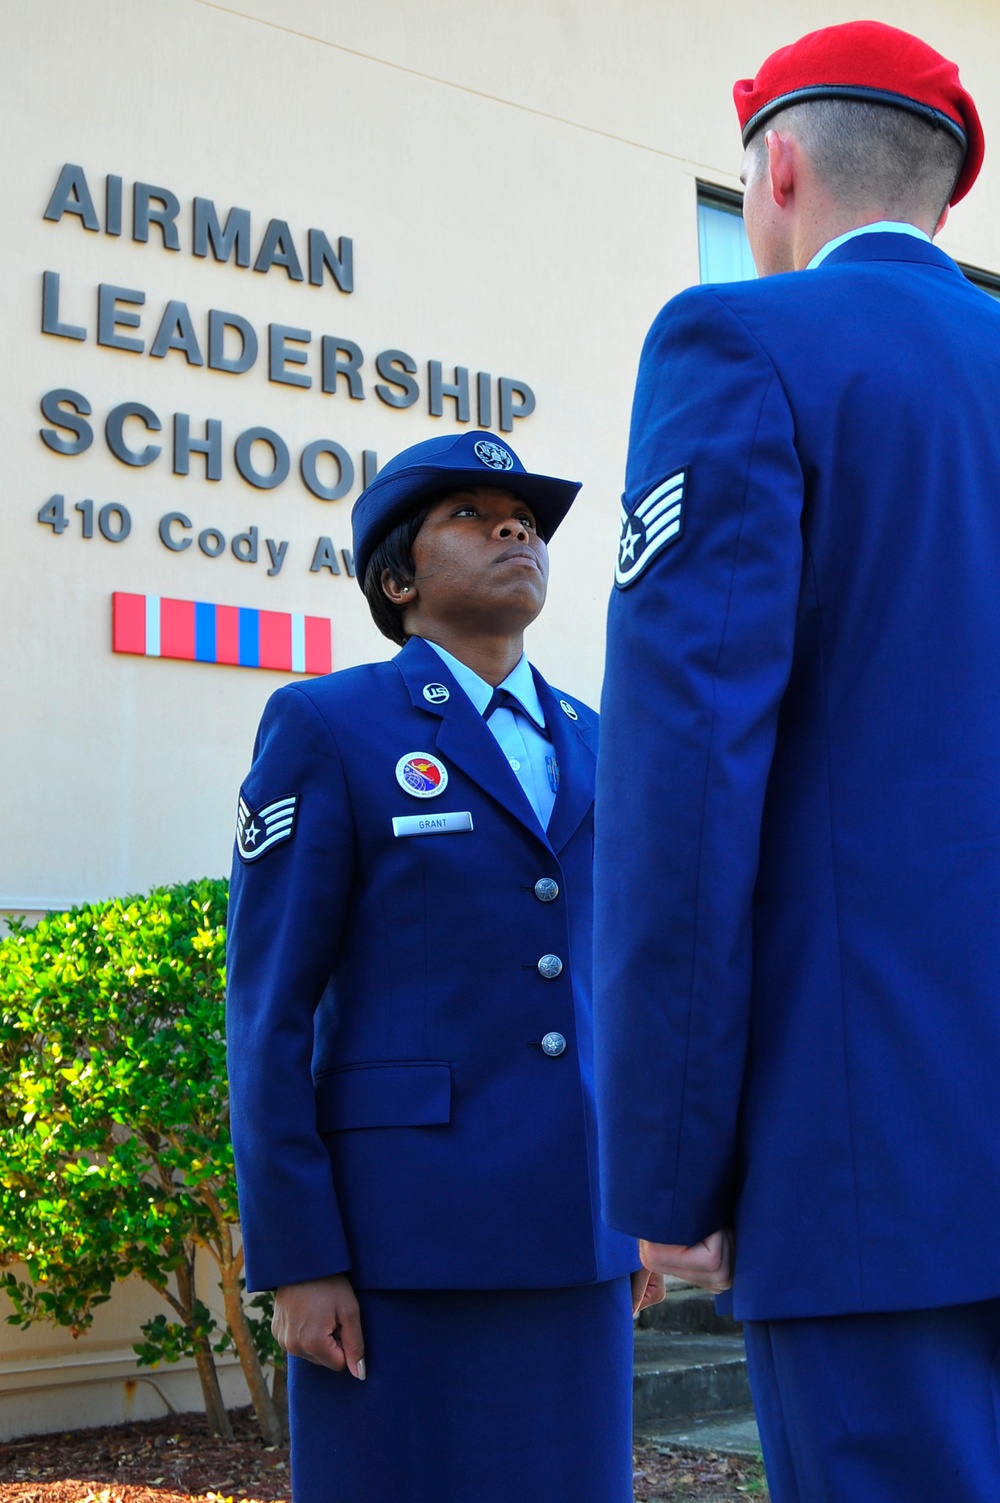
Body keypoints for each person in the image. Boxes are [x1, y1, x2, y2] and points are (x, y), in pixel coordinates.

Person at [593, 19, 1000, 1503]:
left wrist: (664, 1166)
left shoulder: (738, 343)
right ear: (944, 197)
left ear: (774, 169)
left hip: (869, 1161)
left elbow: (685, 783)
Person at [226, 429, 656, 1503]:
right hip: (396, 1245)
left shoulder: (603, 743)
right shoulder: (329, 725)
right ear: (398, 576)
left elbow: (629, 993)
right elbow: (268, 1011)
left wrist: (655, 1195)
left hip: (583, 1235)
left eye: (526, 518)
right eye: (470, 513)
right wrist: (297, 1255)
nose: (514, 527)